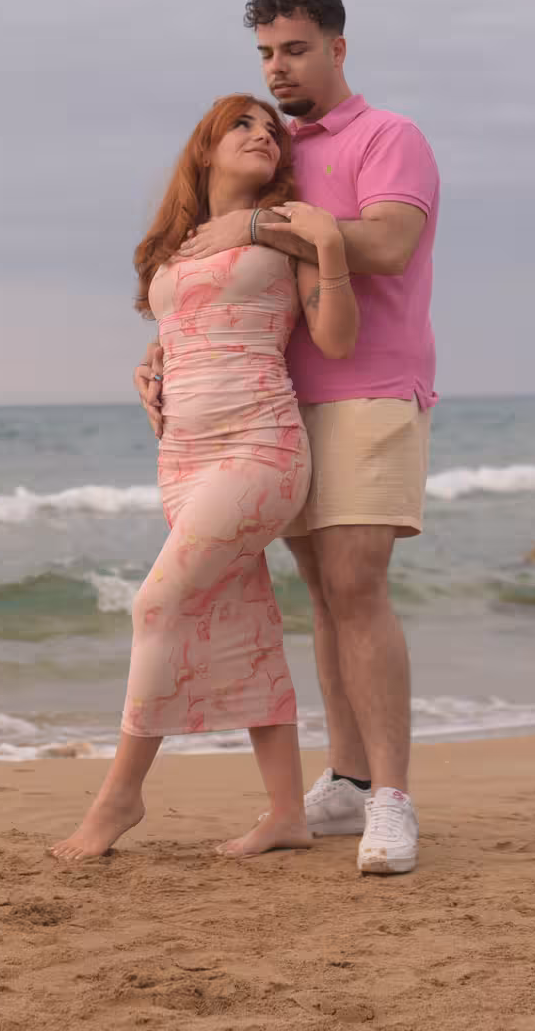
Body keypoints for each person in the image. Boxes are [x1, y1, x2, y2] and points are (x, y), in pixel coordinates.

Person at [136, 0, 439, 876]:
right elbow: (223, 277)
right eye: (267, 54)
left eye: (296, 50)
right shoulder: (284, 151)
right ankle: (345, 781)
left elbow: (385, 245)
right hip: (273, 400)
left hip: (371, 385)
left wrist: (262, 227)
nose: (279, 70)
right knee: (319, 592)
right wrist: (164, 353)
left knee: (357, 582)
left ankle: (392, 798)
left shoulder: (390, 137)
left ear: (338, 49)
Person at [51, 94, 357, 862]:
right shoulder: (174, 246)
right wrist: (152, 363)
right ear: (206, 148)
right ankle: (287, 812)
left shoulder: (285, 227)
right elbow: (183, 330)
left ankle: (120, 797)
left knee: (156, 604)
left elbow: (337, 339)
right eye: (242, 125)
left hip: (261, 448)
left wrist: (329, 249)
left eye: (270, 129)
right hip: (183, 455)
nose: (262, 135)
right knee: (244, 622)